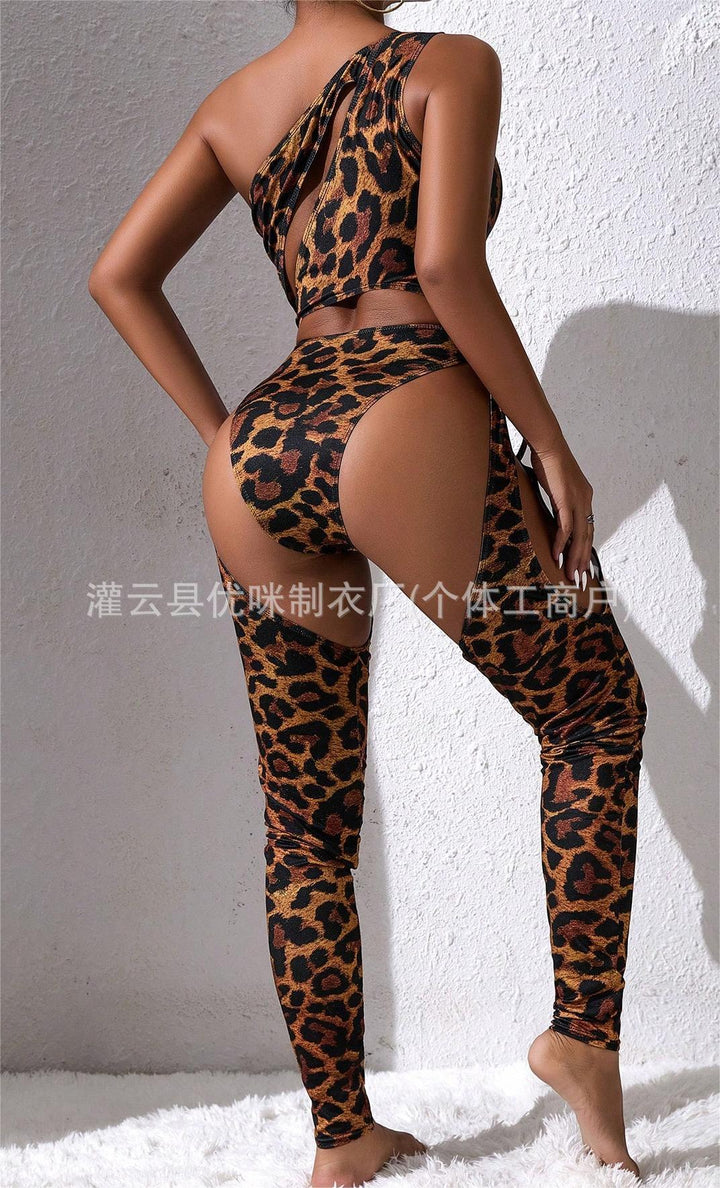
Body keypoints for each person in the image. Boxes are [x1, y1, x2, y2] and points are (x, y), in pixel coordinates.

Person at [88, 1, 648, 1184]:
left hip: (264, 441)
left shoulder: (231, 106)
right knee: (594, 711)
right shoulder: (448, 63)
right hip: (403, 404)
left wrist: (224, 434)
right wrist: (547, 442)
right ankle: (583, 1043)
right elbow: (443, 266)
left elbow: (118, 276)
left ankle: (341, 1136)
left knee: (305, 824)